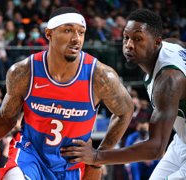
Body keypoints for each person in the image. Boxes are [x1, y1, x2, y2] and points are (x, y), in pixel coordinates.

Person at [0, 7, 134, 180]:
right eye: (68, 30)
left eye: (81, 32)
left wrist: (99, 156)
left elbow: (125, 111)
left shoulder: (100, 76)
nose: (76, 38)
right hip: (30, 154)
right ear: (49, 34)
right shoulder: (24, 72)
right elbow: (5, 118)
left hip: (72, 164)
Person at [60, 9, 186, 180]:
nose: (129, 45)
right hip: (181, 141)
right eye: (126, 37)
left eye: (138, 39)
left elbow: (156, 148)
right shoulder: (173, 45)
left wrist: (97, 156)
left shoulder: (168, 79)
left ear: (156, 42)